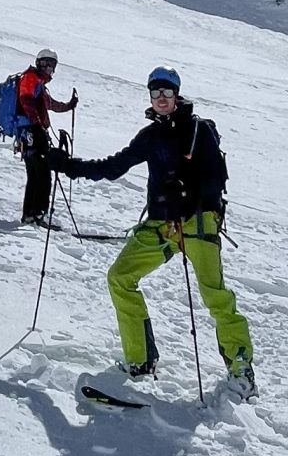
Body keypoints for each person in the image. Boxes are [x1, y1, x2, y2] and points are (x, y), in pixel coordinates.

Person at [52, 66, 256, 398]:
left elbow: (216, 178)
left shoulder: (198, 130)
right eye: (155, 94)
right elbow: (112, 166)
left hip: (197, 222)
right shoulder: (150, 136)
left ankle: (241, 367)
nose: (161, 99)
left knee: (214, 295)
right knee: (120, 277)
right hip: (161, 223)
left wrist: (187, 196)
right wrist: (66, 165)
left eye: (166, 93)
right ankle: (140, 360)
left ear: (177, 95)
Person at [14, 50, 77, 226]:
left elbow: (50, 104)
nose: (49, 68)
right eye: (46, 63)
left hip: (28, 134)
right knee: (42, 175)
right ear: (39, 63)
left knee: (35, 174)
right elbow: (25, 100)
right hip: (32, 133)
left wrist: (69, 105)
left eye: (52, 65)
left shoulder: (39, 84)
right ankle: (38, 215)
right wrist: (38, 125)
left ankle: (30, 215)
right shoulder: (31, 78)